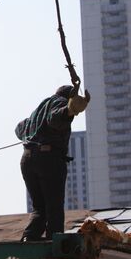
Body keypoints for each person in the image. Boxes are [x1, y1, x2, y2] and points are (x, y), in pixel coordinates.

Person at [15, 85, 89, 242]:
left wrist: (33, 134)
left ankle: (30, 237)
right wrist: (69, 110)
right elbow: (55, 119)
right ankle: (54, 241)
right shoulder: (60, 103)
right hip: (48, 159)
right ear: (69, 97)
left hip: (27, 159)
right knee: (54, 206)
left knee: (39, 206)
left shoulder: (39, 109)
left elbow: (19, 128)